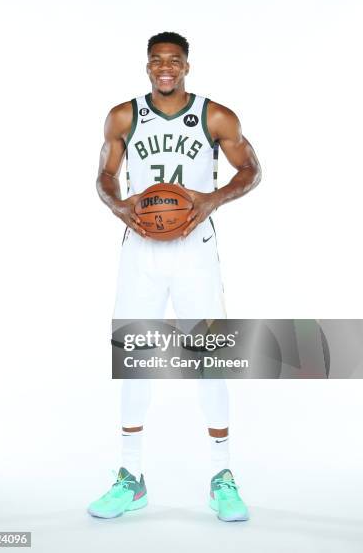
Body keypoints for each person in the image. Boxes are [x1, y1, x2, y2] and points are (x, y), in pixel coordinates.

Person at [87, 32, 261, 522]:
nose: (166, 68)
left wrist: (212, 199)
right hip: (141, 250)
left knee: (211, 359)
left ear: (187, 66)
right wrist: (119, 205)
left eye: (175, 61)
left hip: (195, 250)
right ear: (147, 67)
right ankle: (129, 478)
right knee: (136, 359)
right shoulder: (124, 115)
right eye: (157, 61)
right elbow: (104, 174)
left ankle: (222, 477)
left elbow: (250, 168)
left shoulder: (215, 116)